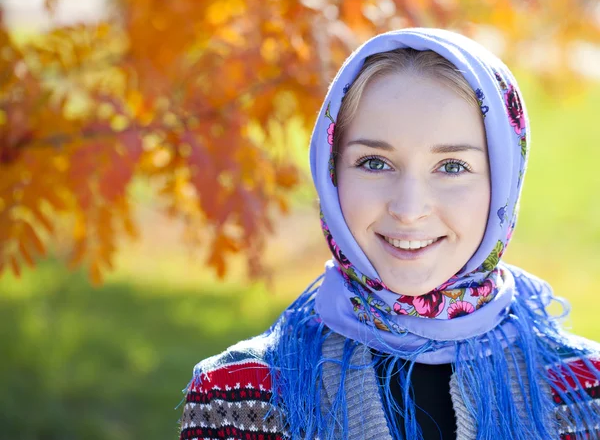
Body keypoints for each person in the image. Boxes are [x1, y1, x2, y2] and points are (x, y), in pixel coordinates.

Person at [178, 28, 600, 440]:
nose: (409, 209)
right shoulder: (240, 396)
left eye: (452, 166)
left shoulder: (585, 395)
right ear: (332, 173)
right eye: (375, 163)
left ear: (504, 183)